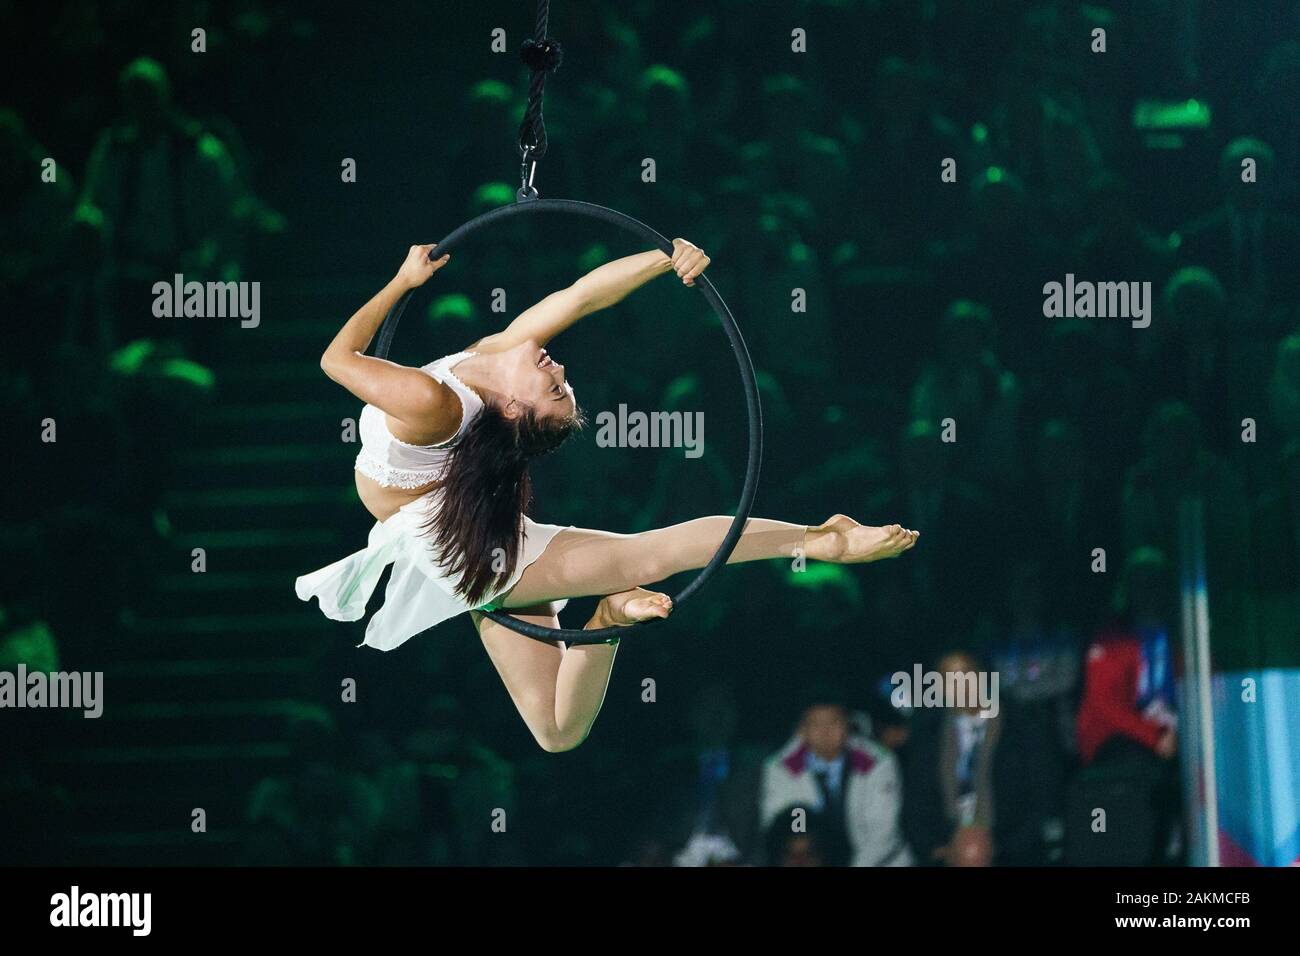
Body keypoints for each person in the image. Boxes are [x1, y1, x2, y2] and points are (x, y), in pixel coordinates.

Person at [297, 242, 919, 752]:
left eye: (554, 388)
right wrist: (663, 256)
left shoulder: (432, 402)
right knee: (557, 730)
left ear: (513, 408)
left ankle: (820, 540)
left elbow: (337, 358)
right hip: (465, 520)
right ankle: (605, 619)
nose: (560, 370)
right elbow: (579, 297)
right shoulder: (484, 366)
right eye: (561, 385)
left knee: (642, 560)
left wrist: (402, 283)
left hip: (453, 535)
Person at [760, 696, 912, 866]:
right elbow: (784, 830)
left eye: (834, 722)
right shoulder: (781, 768)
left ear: (848, 724)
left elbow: (883, 833)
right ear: (802, 729)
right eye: (815, 724)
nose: (825, 732)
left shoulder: (879, 762)